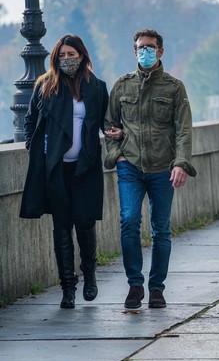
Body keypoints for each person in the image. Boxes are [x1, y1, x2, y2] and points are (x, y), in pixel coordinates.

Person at [104, 29, 197, 309]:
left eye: (150, 47)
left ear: (160, 51)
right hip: (129, 165)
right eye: (140, 47)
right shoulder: (122, 85)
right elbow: (108, 124)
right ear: (134, 52)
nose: (145, 51)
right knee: (129, 221)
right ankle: (135, 285)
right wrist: (116, 155)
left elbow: (183, 129)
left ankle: (157, 287)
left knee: (161, 229)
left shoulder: (174, 87)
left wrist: (181, 163)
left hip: (162, 168)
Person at [20, 34, 108, 309]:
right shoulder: (45, 87)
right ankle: (67, 287)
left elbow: (106, 122)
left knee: (84, 222)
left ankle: (90, 275)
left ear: (82, 56)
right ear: (55, 58)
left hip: (86, 166)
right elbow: (31, 120)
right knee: (61, 227)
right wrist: (33, 148)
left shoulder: (96, 87)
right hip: (55, 168)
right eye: (63, 55)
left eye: (72, 54)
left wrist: (113, 133)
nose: (67, 59)